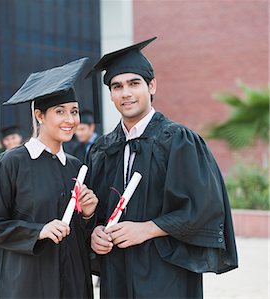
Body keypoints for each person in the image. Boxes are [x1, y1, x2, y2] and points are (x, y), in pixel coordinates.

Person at [86, 37, 238, 298]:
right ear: (110, 94)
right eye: (117, 86)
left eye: (134, 83)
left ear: (151, 85)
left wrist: (146, 228)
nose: (126, 93)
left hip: (165, 271)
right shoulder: (103, 149)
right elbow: (94, 210)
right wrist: (94, 231)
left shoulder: (178, 141)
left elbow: (204, 208)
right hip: (117, 271)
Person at [0, 58, 98, 298]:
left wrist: (88, 215)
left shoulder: (76, 167)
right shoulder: (12, 163)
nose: (70, 120)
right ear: (40, 115)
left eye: (74, 111)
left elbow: (81, 235)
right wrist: (38, 231)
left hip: (73, 281)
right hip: (30, 282)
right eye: (60, 111)